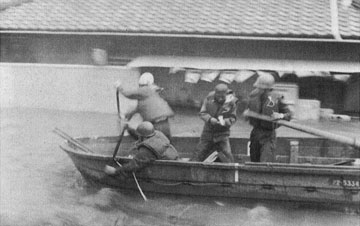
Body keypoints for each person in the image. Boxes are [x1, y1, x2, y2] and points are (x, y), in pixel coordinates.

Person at [247, 72, 292, 162]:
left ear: (268, 89)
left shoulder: (277, 98)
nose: (260, 90)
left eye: (262, 89)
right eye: (259, 88)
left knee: (266, 161)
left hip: (268, 135)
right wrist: (247, 114)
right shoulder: (253, 96)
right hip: (255, 133)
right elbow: (247, 111)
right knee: (254, 161)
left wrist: (280, 115)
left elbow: (289, 115)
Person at [104, 121, 178, 176]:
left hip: (167, 169)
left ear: (143, 137)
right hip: (174, 159)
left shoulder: (147, 149)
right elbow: (143, 137)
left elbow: (134, 165)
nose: (138, 138)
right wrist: (129, 129)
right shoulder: (158, 134)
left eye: (140, 136)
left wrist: (115, 171)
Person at [116, 72, 174, 141]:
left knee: (149, 143)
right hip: (163, 122)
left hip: (156, 124)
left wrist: (119, 87)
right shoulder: (148, 97)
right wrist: (126, 117)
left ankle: (131, 131)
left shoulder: (146, 90)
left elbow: (128, 94)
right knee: (164, 143)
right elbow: (137, 109)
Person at [192, 84, 238, 163]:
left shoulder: (232, 101)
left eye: (222, 96)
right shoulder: (209, 99)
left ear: (226, 94)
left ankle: (231, 170)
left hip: (223, 132)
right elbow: (202, 113)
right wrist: (210, 119)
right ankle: (192, 168)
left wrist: (227, 121)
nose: (220, 98)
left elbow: (233, 117)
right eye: (218, 95)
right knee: (199, 151)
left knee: (227, 153)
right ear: (215, 93)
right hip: (208, 131)